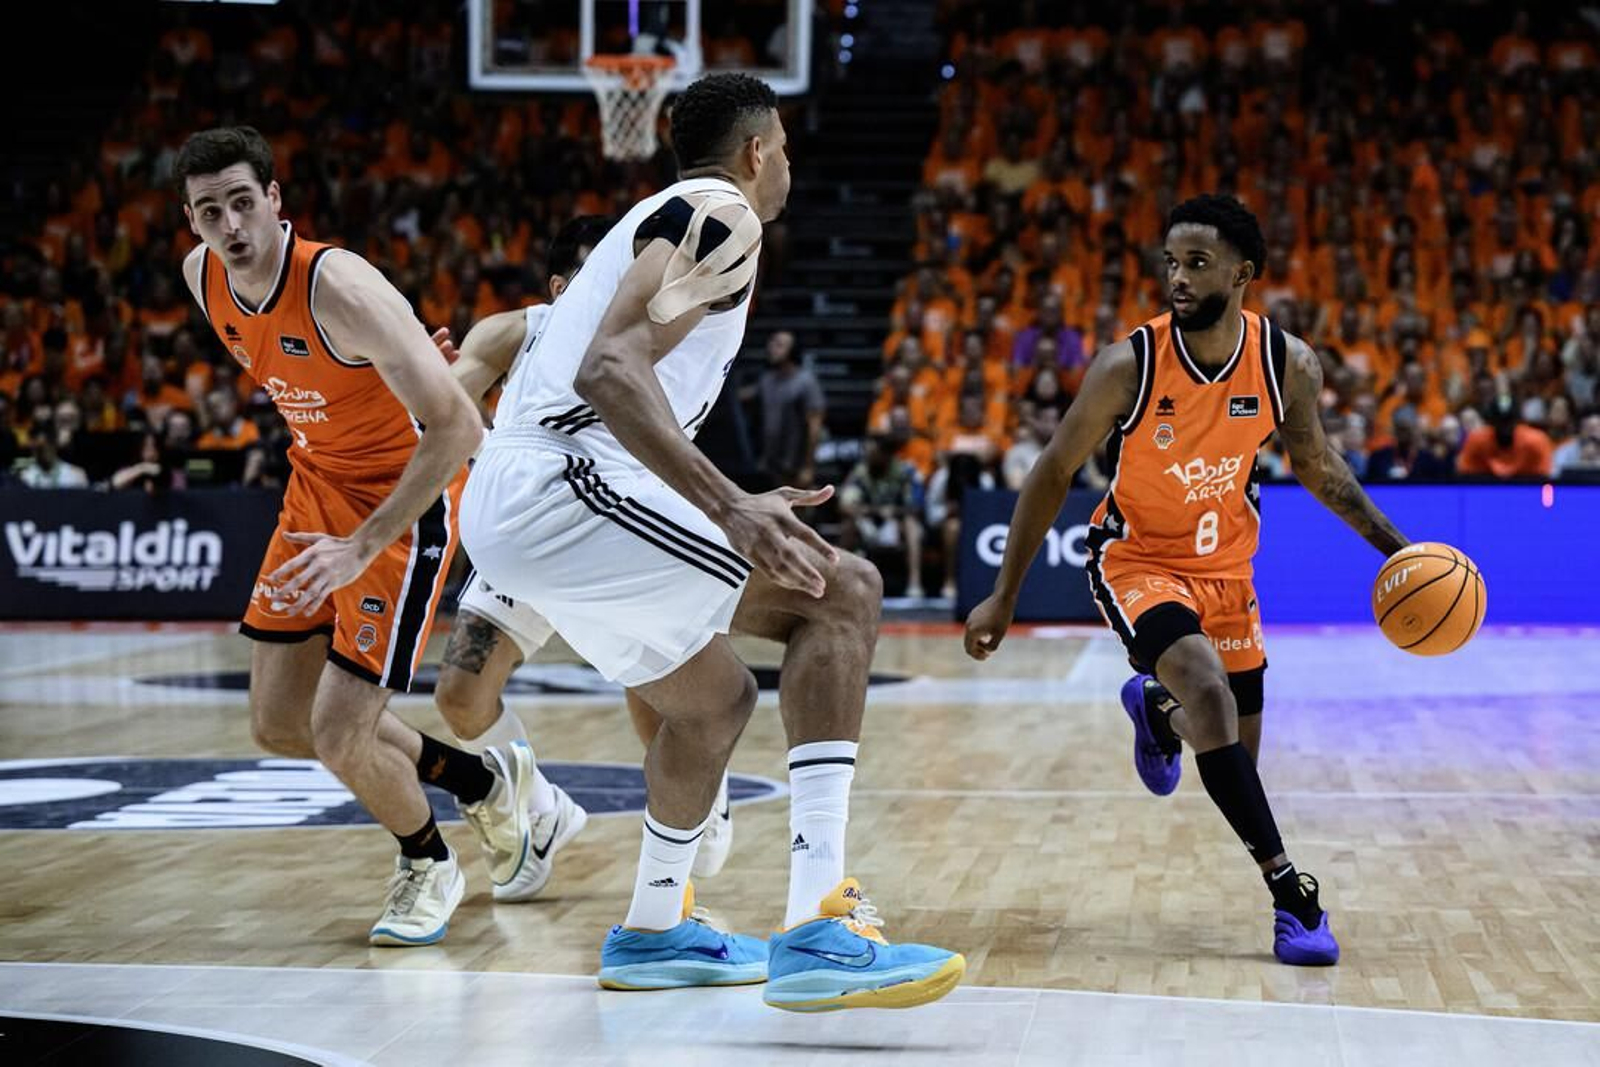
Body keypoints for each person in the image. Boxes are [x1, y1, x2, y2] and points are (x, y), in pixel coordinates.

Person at [460, 73, 962, 1010]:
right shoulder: (722, 209)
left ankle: (654, 927)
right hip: (560, 486)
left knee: (712, 699)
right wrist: (730, 505)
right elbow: (610, 368)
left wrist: (704, 500)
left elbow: (611, 372)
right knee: (842, 589)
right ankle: (821, 921)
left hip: (533, 502)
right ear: (758, 151)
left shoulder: (666, 215)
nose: (788, 166)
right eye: (786, 148)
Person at [965, 195, 1413, 967]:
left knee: (1234, 750)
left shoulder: (1285, 362)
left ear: (1243, 274)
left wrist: (1394, 549)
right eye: (1171, 261)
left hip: (1228, 570)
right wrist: (1006, 591)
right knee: (1211, 694)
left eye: (1197, 263)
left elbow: (1317, 465)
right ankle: (1295, 899)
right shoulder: (1129, 364)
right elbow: (1053, 468)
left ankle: (1157, 712)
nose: (1177, 276)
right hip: (1135, 558)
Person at [175, 126, 538, 947]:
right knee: (279, 722)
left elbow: (457, 425)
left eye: (241, 202)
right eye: (208, 211)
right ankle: (476, 780)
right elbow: (314, 382)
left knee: (341, 731)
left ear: (274, 200)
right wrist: (396, 367)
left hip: (402, 501)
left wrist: (365, 542)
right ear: (191, 222)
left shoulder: (340, 287)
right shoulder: (204, 279)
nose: (229, 226)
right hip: (315, 490)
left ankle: (428, 861)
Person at [429, 215, 736, 897]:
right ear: (564, 285)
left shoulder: (654, 336)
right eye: (600, 275)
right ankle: (540, 813)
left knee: (656, 690)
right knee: (458, 694)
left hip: (620, 519)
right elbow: (439, 410)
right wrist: (418, 374)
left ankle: (693, 793)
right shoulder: (517, 330)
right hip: (534, 518)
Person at [754, 329, 825, 489]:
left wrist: (808, 467)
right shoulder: (766, 380)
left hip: (795, 463)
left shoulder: (806, 381)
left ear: (792, 350)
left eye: (779, 345)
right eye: (771, 343)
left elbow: (815, 428)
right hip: (770, 463)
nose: (772, 348)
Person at [1455, 393, 1554, 477]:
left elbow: (1546, 485)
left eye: (1509, 420)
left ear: (1517, 421)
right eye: (1500, 420)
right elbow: (1464, 481)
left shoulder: (1536, 442)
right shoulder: (1476, 441)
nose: (1504, 426)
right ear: (1491, 421)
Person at [19, 422, 88, 488]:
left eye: (46, 447)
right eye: (38, 449)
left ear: (55, 444)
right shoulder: (25, 477)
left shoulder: (75, 475)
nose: (42, 453)